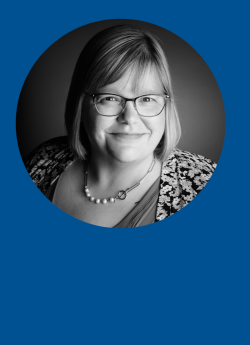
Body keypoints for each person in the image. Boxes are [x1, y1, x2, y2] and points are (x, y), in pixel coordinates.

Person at [24, 24, 217, 228]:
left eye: (147, 99)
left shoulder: (205, 184)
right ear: (80, 104)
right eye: (110, 98)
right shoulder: (43, 161)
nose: (130, 117)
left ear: (167, 105)